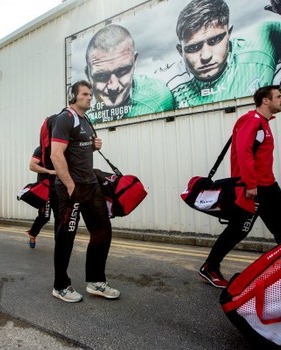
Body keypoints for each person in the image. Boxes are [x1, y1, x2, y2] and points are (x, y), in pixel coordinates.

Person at [198, 85, 281, 288]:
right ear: (265, 100)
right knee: (238, 229)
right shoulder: (251, 120)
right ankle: (210, 267)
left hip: (268, 186)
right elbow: (244, 153)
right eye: (279, 96)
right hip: (255, 188)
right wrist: (250, 185)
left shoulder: (264, 123)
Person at [50, 80, 120, 302]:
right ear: (73, 97)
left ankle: (96, 281)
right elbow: (55, 155)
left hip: (91, 186)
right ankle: (60, 285)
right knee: (65, 237)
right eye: (85, 94)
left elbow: (80, 149)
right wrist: (70, 185)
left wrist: (95, 144)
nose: (90, 97)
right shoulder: (65, 118)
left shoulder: (86, 120)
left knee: (102, 231)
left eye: (91, 94)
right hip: (71, 188)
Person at [173, 0, 281, 108]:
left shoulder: (265, 37)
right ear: (180, 51)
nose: (206, 56)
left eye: (215, 40)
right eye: (193, 47)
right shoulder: (171, 87)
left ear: (229, 34)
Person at [85, 24, 174, 122]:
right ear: (87, 74)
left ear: (135, 61)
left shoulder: (157, 97)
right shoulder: (81, 113)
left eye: (122, 71)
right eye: (102, 76)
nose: (113, 87)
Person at [25, 146, 56, 248]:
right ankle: (32, 234)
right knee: (44, 216)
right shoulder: (41, 149)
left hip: (60, 189)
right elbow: (32, 166)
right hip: (46, 189)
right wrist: (49, 171)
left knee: (61, 217)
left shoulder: (64, 148)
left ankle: (60, 242)